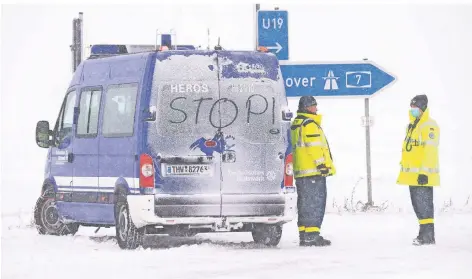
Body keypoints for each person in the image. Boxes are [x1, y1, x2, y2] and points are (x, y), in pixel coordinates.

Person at [290, 96, 335, 246]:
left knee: (304, 203)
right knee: (315, 203)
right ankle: (312, 235)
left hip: (301, 171)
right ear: (308, 107)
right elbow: (314, 147)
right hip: (313, 172)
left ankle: (304, 233)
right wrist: (322, 165)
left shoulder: (296, 123)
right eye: (314, 105)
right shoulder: (309, 124)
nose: (316, 108)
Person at [397, 94, 440, 245]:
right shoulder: (414, 125)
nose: (413, 110)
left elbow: (430, 151)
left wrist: (424, 172)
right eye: (412, 107)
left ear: (422, 108)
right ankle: (423, 234)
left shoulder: (429, 125)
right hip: (413, 176)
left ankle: (428, 236)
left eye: (415, 107)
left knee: (424, 205)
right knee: (418, 206)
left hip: (423, 175)